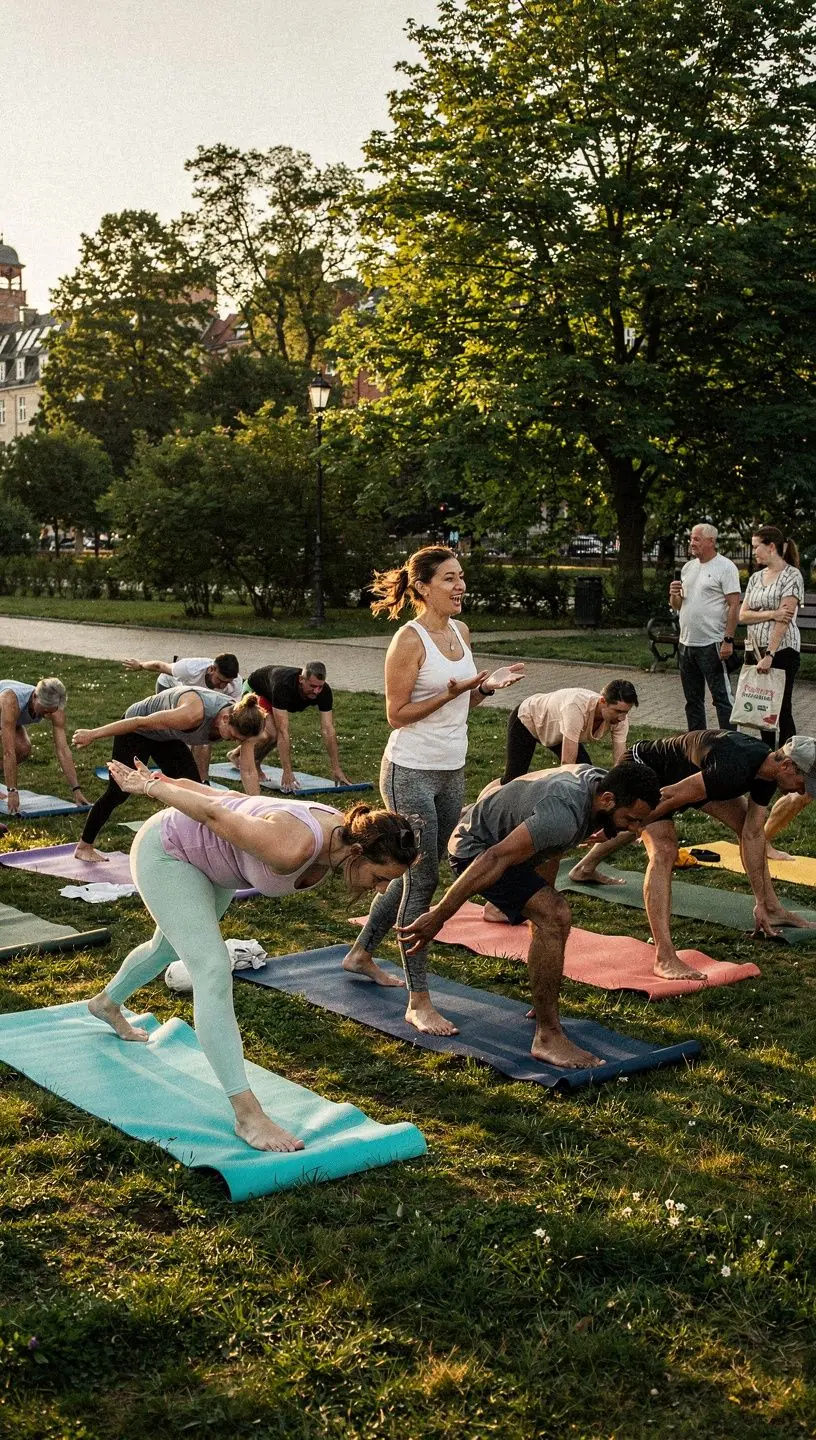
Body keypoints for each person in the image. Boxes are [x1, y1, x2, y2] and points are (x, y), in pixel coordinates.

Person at [86, 759, 419, 1152]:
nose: (380, 890)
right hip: (169, 850)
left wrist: (170, 778)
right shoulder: (297, 845)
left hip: (211, 864)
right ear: (359, 852)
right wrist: (150, 788)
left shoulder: (339, 833)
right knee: (211, 969)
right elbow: (213, 814)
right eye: (380, 878)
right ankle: (248, 1115)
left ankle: (105, 1003)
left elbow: (234, 800)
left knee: (166, 946)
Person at [342, 546, 525, 1036]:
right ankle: (417, 998)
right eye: (448, 578)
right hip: (410, 770)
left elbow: (462, 702)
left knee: (419, 874)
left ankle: (361, 953)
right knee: (420, 881)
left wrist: (485, 688)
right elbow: (396, 715)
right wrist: (446, 694)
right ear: (423, 586)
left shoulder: (461, 633)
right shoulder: (409, 639)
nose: (460, 586)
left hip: (451, 768)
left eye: (461, 577)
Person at [398, 761, 661, 1069]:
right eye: (631, 819)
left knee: (550, 916)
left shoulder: (598, 787)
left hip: (520, 842)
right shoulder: (563, 813)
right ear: (607, 800)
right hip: (477, 849)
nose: (635, 829)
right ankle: (547, 1037)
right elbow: (495, 857)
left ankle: (543, 996)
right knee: (556, 915)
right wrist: (440, 915)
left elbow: (547, 845)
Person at [568, 730, 816, 978]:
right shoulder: (733, 766)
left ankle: (771, 908)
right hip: (647, 770)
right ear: (786, 765)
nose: (802, 791)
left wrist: (761, 901)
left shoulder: (766, 771)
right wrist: (613, 823)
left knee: (748, 827)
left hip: (690, 777)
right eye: (803, 783)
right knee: (664, 850)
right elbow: (669, 796)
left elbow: (752, 834)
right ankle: (664, 957)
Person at [71, 687, 264, 860]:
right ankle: (84, 847)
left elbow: (247, 771)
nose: (235, 743)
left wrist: (258, 815)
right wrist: (93, 734)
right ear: (224, 719)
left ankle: (193, 850)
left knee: (194, 792)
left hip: (167, 735)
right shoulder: (192, 714)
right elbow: (139, 722)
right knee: (118, 791)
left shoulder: (245, 721)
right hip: (138, 729)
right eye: (233, 737)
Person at [123, 654, 243, 782]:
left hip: (202, 701)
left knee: (203, 738)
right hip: (170, 689)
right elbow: (160, 666)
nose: (223, 686)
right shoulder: (190, 668)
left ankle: (203, 781)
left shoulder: (235, 683)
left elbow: (233, 710)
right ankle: (165, 764)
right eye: (220, 680)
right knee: (168, 729)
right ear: (211, 669)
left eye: (227, 682)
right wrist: (140, 664)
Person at [232, 663, 351, 792]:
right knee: (272, 734)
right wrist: (287, 771)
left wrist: (336, 768)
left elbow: (328, 730)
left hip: (272, 692)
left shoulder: (324, 692)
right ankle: (251, 762)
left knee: (273, 734)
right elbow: (283, 731)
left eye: (320, 686)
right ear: (301, 680)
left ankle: (236, 755)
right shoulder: (284, 685)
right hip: (256, 690)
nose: (316, 691)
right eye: (312, 686)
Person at [670, 524, 741, 730]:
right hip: (686, 642)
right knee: (692, 700)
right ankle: (696, 742)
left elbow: (734, 604)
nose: (692, 543)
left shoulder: (725, 567)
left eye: (697, 539)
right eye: (691, 539)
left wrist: (728, 640)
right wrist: (674, 594)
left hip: (712, 643)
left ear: (711, 541)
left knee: (721, 698)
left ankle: (728, 742)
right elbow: (677, 606)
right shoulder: (688, 568)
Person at [501, 680, 638, 785]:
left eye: (626, 712)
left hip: (560, 730)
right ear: (603, 701)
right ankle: (489, 795)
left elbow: (620, 764)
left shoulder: (620, 719)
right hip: (528, 718)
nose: (622, 718)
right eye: (618, 711)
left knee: (586, 774)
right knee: (513, 779)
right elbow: (567, 765)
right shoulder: (575, 708)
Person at [0, 677, 91, 814]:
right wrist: (12, 791)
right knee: (11, 749)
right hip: (4, 713)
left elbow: (63, 750)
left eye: (50, 711)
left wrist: (76, 790)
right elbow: (8, 752)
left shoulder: (55, 708)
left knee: (23, 748)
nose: (47, 715)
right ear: (35, 697)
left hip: (9, 719)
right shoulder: (10, 701)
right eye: (44, 711)